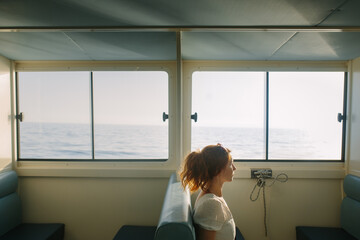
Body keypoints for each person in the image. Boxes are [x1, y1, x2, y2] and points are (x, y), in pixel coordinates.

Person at [179, 143, 237, 240]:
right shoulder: (211, 204)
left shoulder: (213, 196)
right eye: (230, 164)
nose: (234, 168)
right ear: (218, 170)